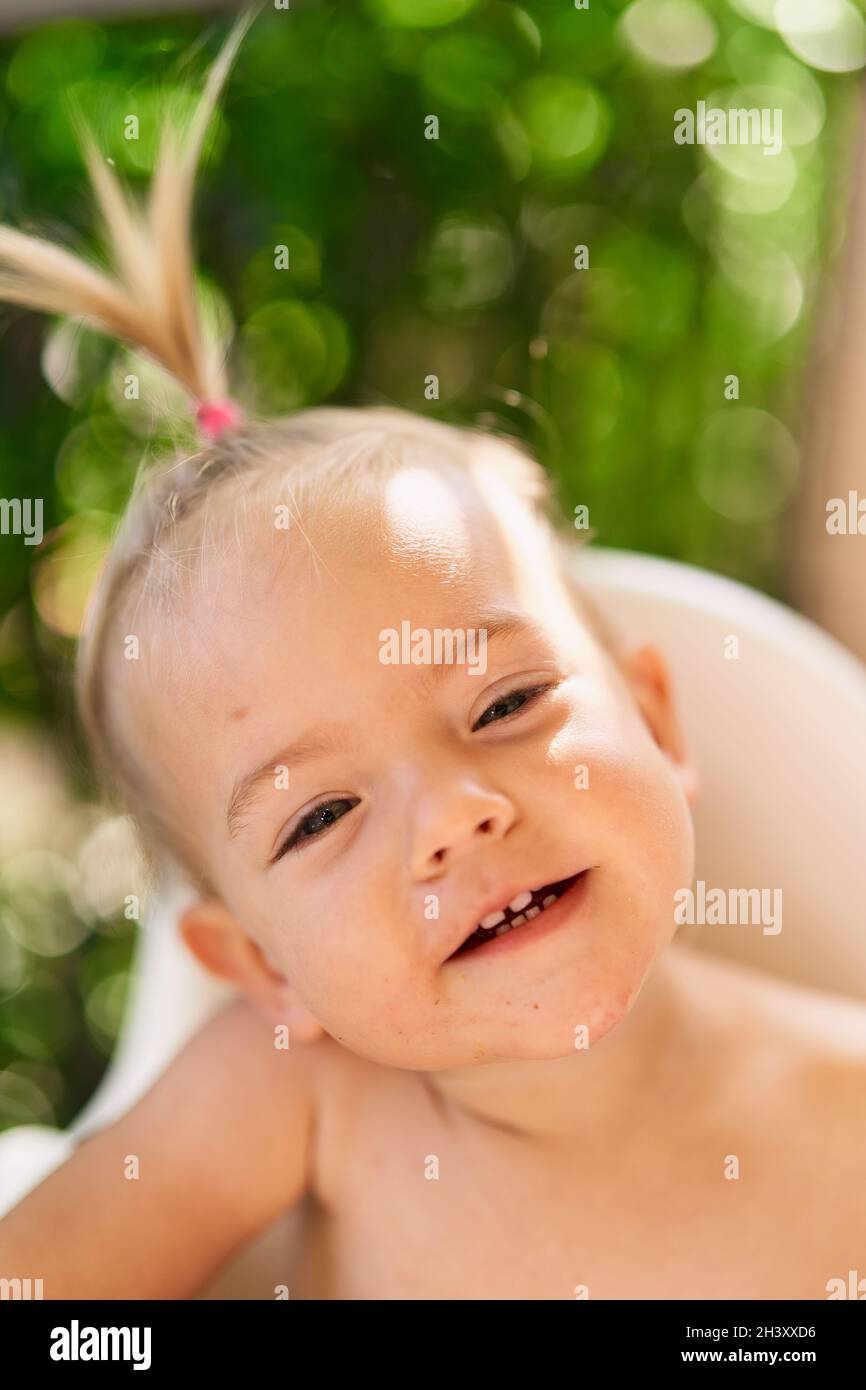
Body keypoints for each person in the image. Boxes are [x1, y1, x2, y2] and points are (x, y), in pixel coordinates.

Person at [1, 9, 865, 1300]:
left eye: (506, 700)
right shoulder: (292, 1097)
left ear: (657, 724)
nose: (457, 813)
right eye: (322, 814)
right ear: (261, 968)